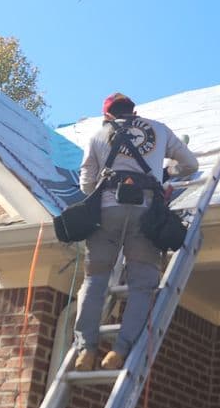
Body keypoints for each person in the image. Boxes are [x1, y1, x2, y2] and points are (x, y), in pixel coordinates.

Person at [73, 92, 198, 371]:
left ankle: (86, 350)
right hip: (146, 213)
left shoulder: (96, 135)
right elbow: (191, 165)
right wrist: (165, 173)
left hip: (106, 214)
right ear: (134, 111)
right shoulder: (159, 129)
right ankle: (120, 349)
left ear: (108, 115)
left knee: (94, 282)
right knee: (142, 284)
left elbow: (85, 184)